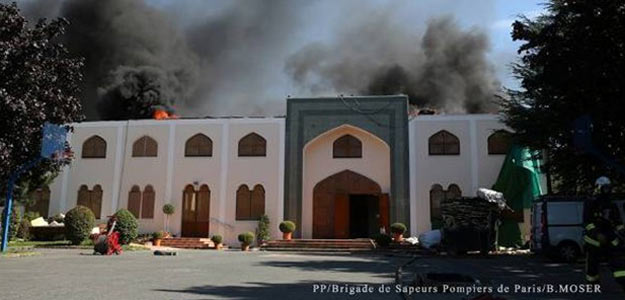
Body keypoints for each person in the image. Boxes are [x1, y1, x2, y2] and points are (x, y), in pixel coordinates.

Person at [583, 176, 625, 289]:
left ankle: (622, 279)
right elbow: (587, 222)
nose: (607, 190)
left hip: (609, 235)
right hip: (593, 238)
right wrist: (597, 234)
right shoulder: (590, 202)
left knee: (618, 255)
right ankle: (592, 283)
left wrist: (622, 231)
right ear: (599, 188)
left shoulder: (611, 204)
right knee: (592, 261)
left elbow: (618, 221)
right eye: (605, 188)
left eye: (608, 188)